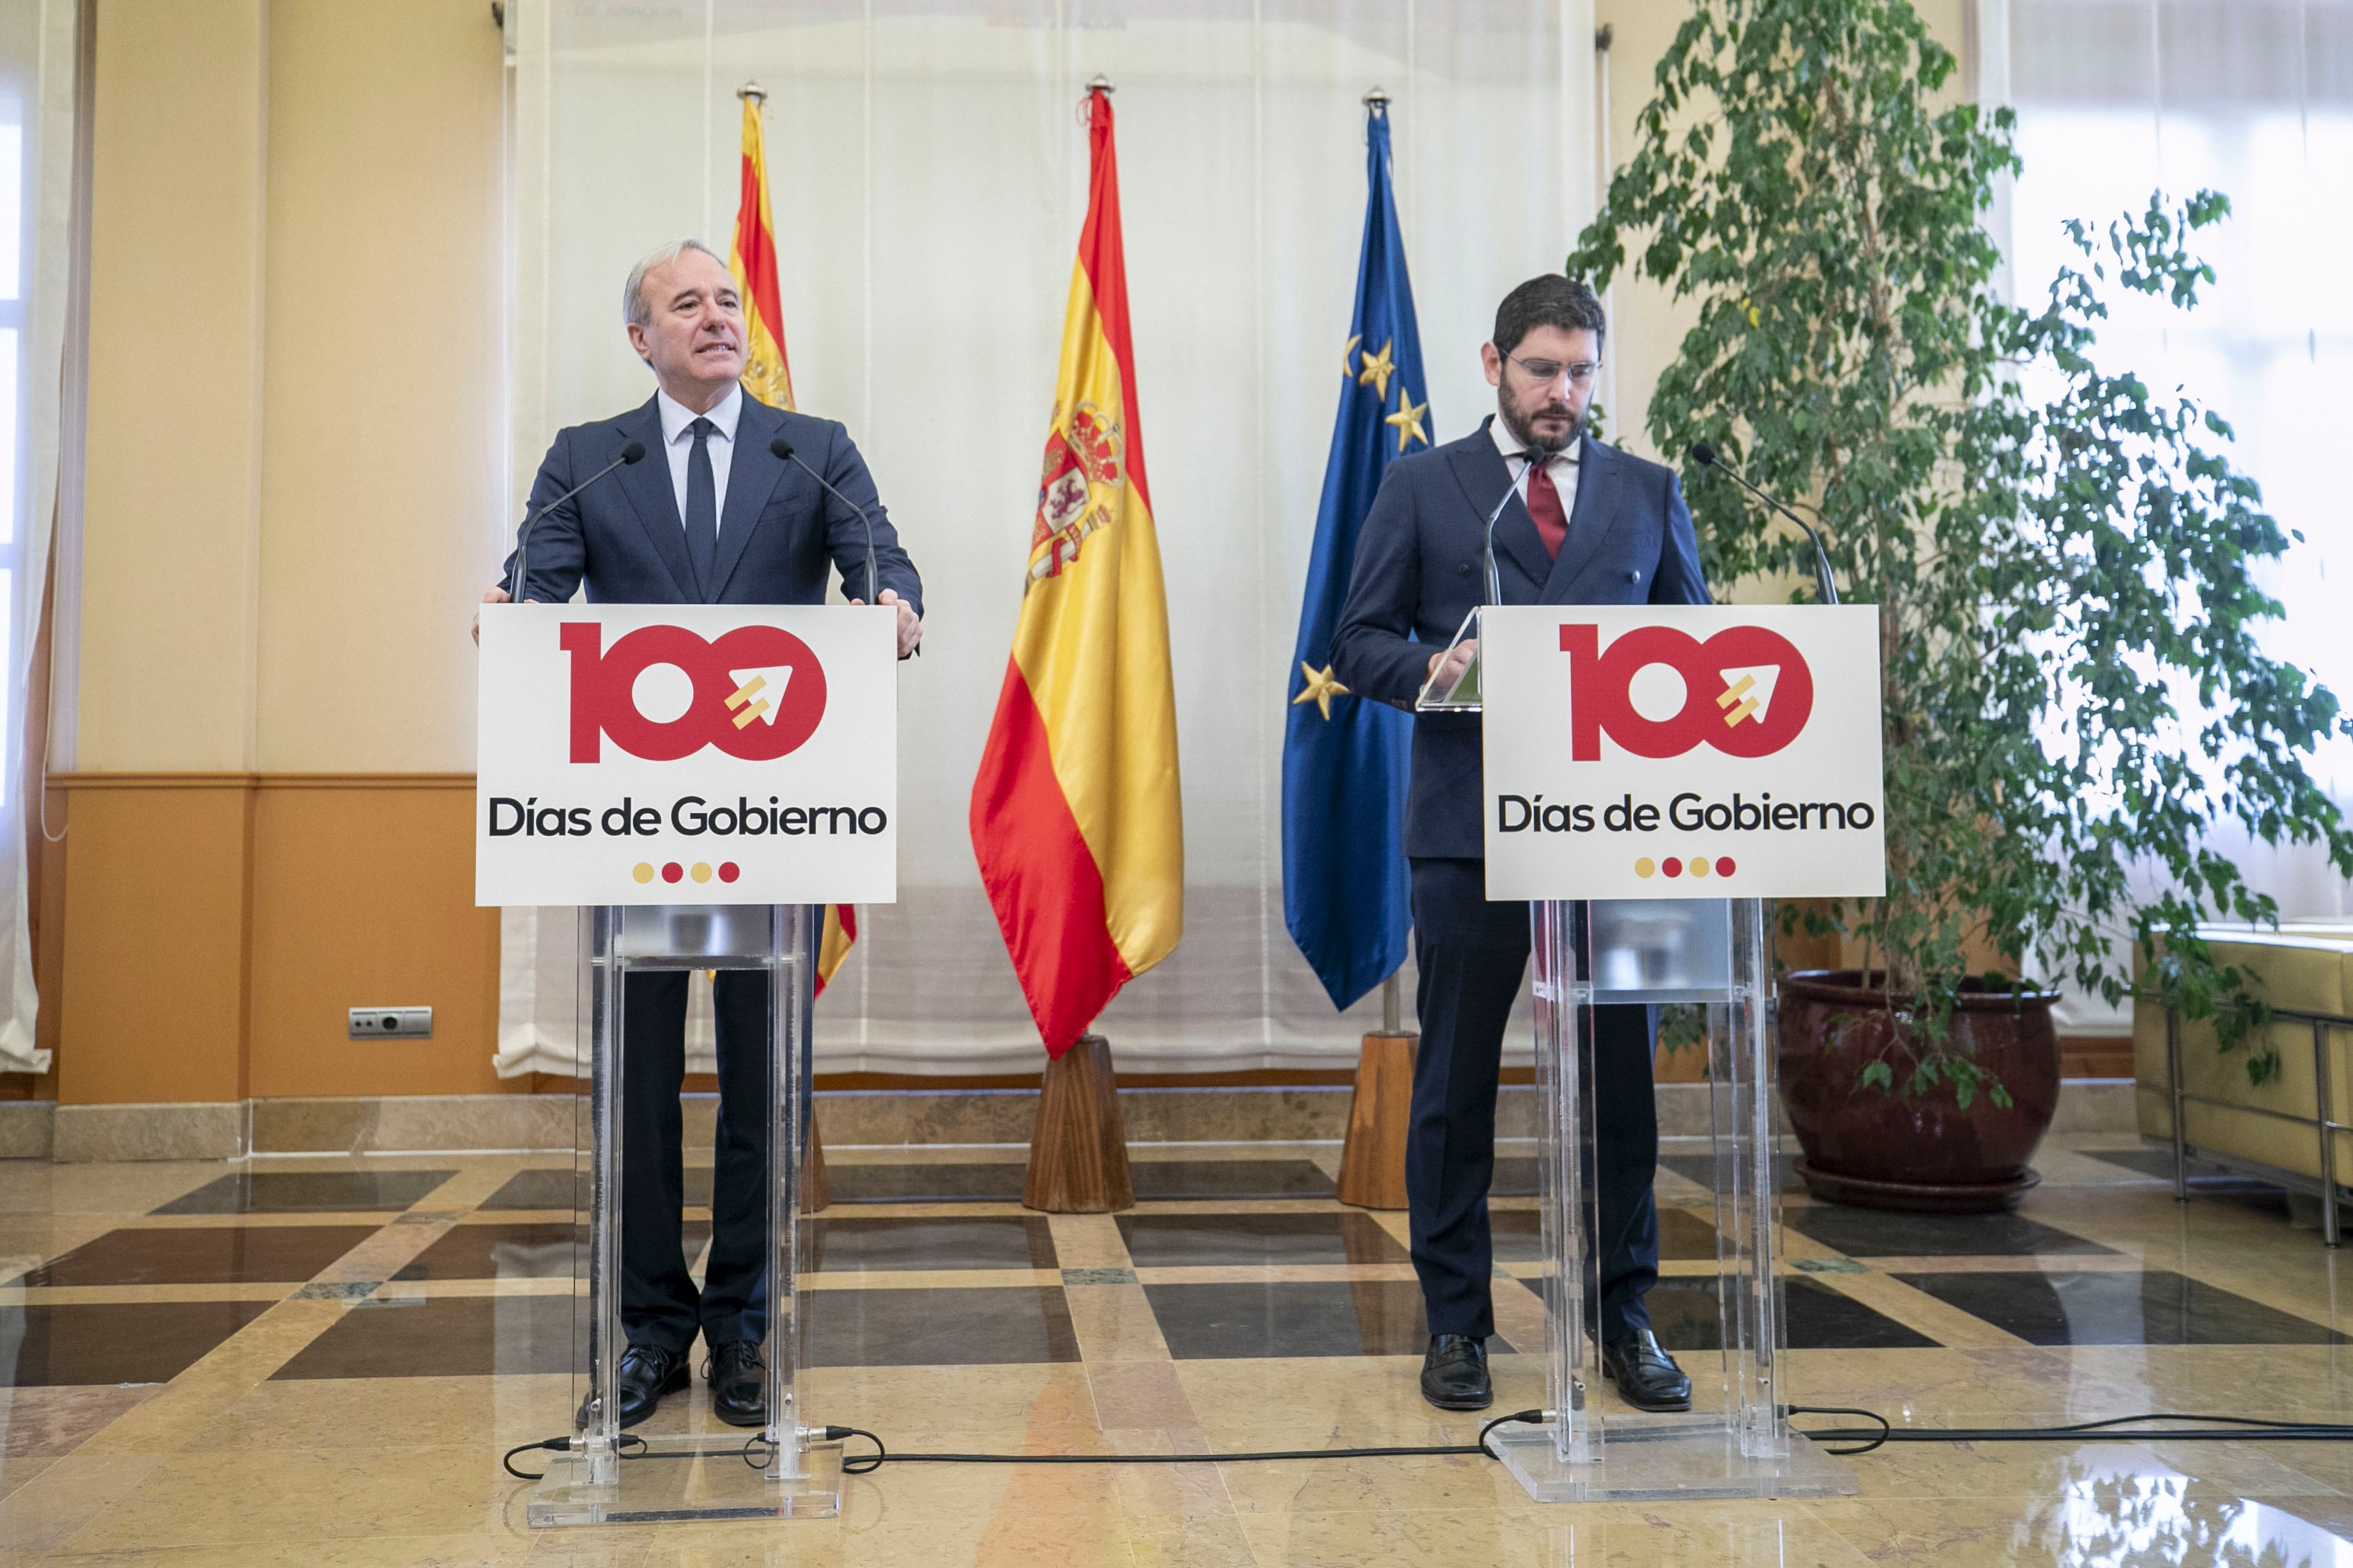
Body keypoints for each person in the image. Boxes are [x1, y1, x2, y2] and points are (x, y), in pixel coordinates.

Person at [480, 238, 923, 1428]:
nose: (718, 318)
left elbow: (883, 558)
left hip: (775, 817)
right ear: (642, 338)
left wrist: (896, 605)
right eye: (689, 305)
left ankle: (742, 1330)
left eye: (728, 300)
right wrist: (513, 617)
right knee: (637, 1082)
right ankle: (646, 1331)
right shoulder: (590, 458)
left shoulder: (810, 448)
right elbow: (542, 586)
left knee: (758, 1089)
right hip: (632, 821)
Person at [1330, 275, 1705, 1414]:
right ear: (1493, 361)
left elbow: (1693, 646)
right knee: (1454, 1083)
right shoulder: (1425, 485)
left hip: (1613, 834)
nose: (1564, 392)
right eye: (1543, 368)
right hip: (1467, 830)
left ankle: (1624, 1315)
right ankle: (1456, 1324)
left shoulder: (1649, 490)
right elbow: (1356, 641)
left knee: (1620, 1083)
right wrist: (1431, 671)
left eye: (1583, 370)